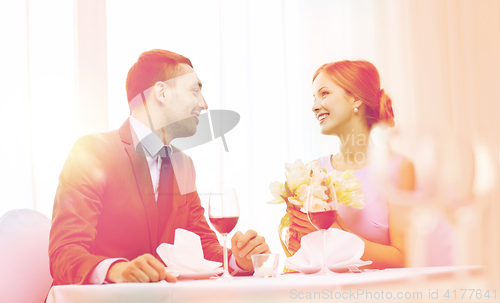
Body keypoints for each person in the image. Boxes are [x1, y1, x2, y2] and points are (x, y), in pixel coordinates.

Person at [49, 49, 270, 285]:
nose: (204, 104)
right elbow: (65, 252)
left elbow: (202, 244)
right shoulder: (91, 151)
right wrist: (118, 271)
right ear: (161, 92)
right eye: (195, 91)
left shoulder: (183, 164)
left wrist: (237, 260)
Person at [286, 60, 415, 269]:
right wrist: (296, 242)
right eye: (314, 97)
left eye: (324, 93)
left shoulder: (397, 168)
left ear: (355, 98)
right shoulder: (311, 172)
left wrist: (340, 237)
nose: (314, 106)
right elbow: (308, 256)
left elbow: (404, 259)